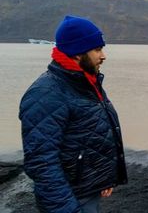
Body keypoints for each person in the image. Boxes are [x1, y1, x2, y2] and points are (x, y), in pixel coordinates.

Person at [19, 16, 127, 213]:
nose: (103, 56)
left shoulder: (84, 82)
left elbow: (90, 133)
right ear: (77, 53)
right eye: (97, 49)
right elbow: (41, 162)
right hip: (70, 199)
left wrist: (103, 176)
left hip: (86, 190)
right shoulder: (46, 93)